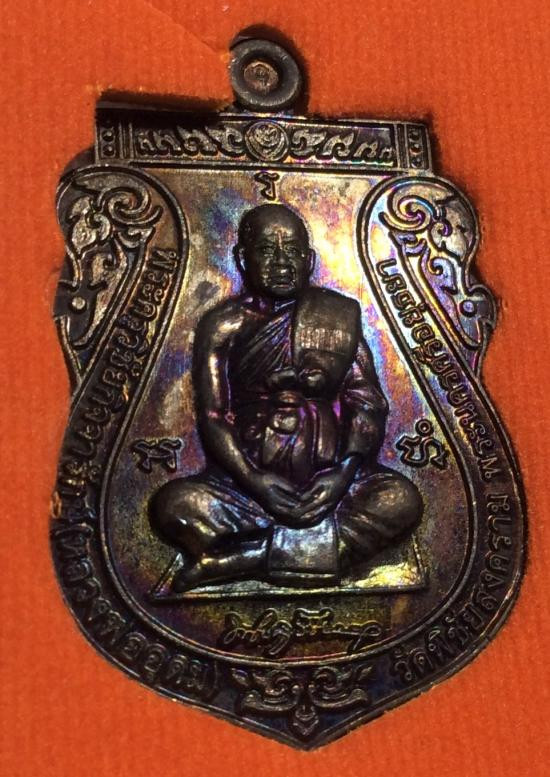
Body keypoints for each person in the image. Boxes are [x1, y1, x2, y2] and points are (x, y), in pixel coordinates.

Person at [150, 204, 422, 591]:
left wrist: (343, 474)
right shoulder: (225, 324)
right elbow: (213, 415)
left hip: (329, 485)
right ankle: (314, 550)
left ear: (309, 260)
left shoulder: (335, 317)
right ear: (242, 260)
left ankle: (244, 559)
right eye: (267, 250)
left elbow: (366, 402)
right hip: (250, 488)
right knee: (174, 507)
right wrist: (255, 481)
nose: (282, 263)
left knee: (400, 499)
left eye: (292, 251)